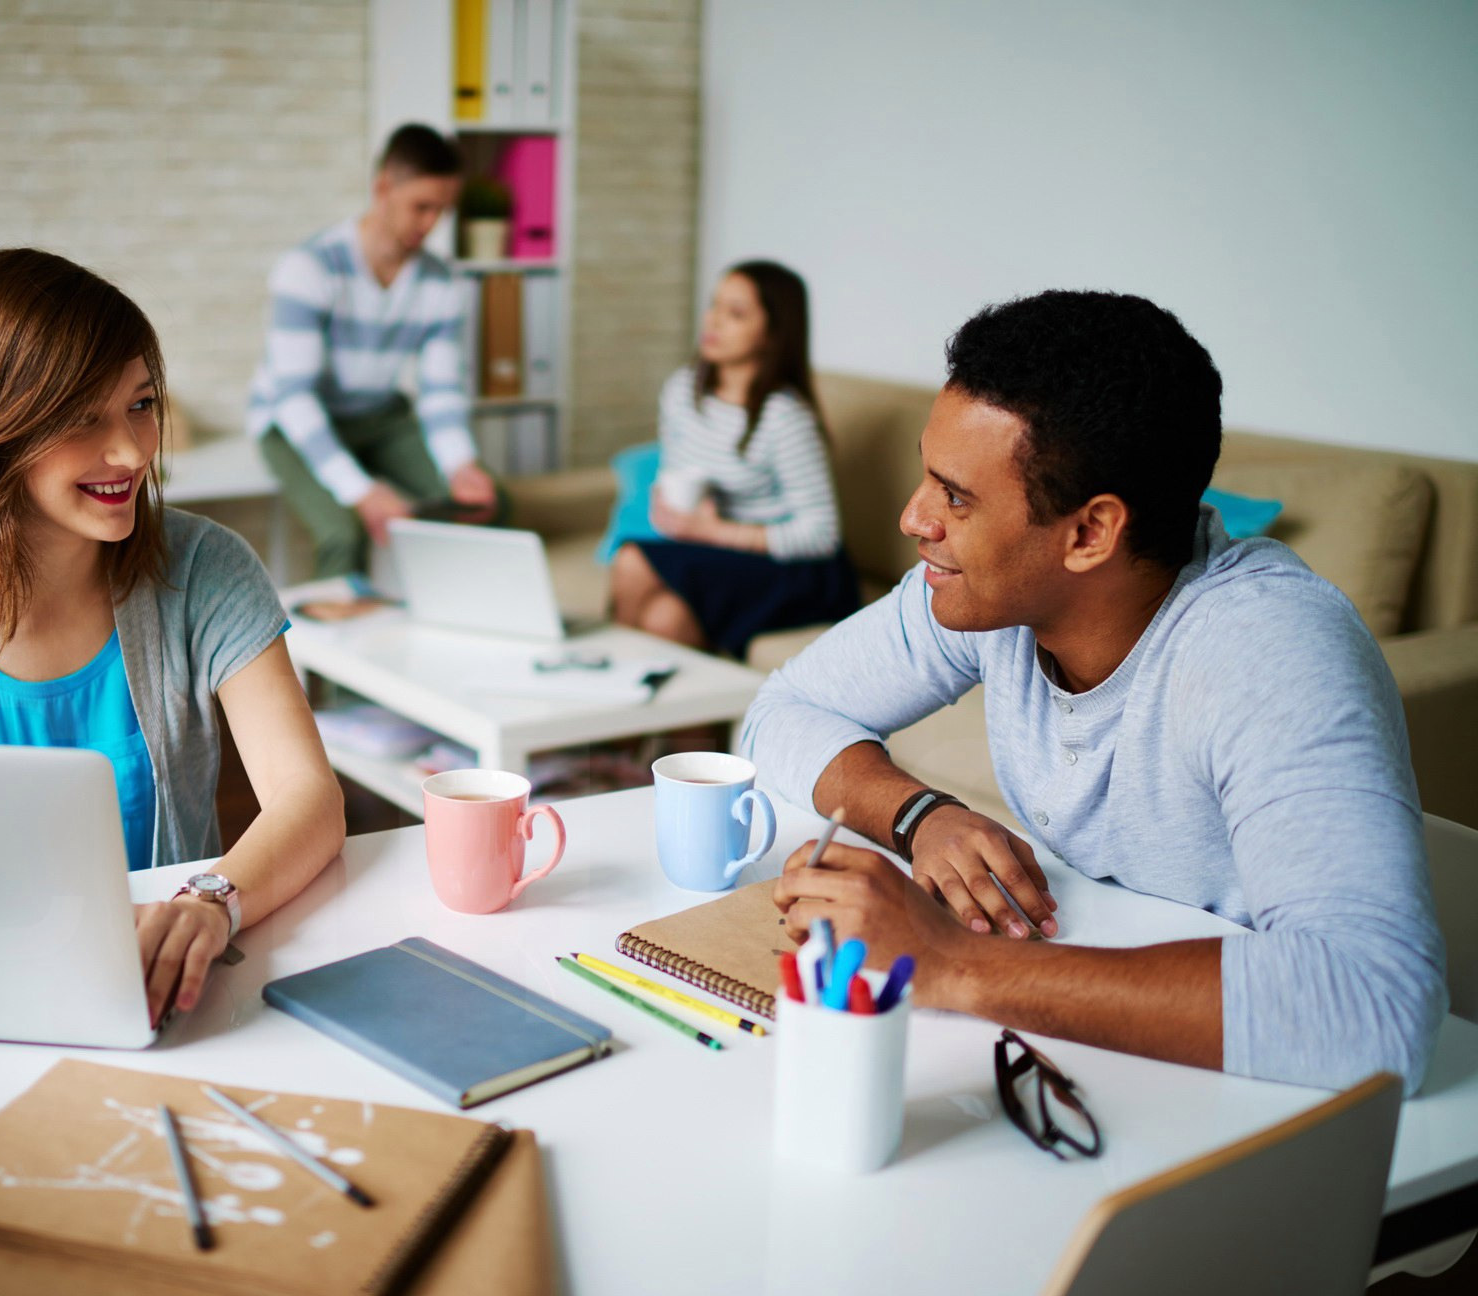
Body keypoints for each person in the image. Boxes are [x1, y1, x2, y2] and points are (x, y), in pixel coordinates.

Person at [743, 290, 1445, 1093]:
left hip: (1262, 1099)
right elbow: (777, 716)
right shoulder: (987, 597)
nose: (914, 517)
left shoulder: (1267, 649)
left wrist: (956, 964)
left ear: (1089, 533)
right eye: (928, 478)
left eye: (956, 496)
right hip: (1086, 1053)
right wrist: (919, 815)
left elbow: (1380, 1004)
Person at [0, 248, 345, 1024]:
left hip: (156, 1000)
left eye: (141, 404)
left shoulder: (206, 568)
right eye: (83, 418)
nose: (130, 451)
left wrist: (210, 903)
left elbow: (307, 795)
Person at [249, 123, 504, 578]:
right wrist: (361, 491)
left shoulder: (442, 282)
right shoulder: (308, 269)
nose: (430, 225)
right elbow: (294, 399)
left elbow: (441, 390)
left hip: (379, 417)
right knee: (343, 533)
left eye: (441, 211)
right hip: (291, 422)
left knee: (490, 506)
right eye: (421, 207)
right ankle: (331, 646)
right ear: (383, 187)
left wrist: (460, 463)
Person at [611, 261, 857, 657]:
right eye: (714, 306)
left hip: (791, 570)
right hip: (719, 554)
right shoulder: (681, 390)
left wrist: (709, 531)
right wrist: (671, 510)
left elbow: (821, 535)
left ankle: (612, 691)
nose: (714, 321)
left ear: (773, 332)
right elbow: (678, 473)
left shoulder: (783, 417)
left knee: (631, 558)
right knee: (665, 617)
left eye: (736, 313)